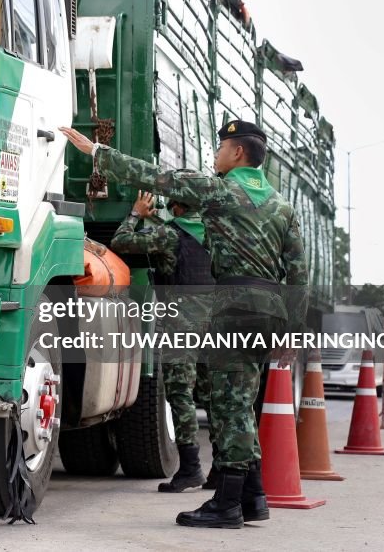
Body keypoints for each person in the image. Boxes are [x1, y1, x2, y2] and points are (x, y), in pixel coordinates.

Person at [60, 120, 308, 529]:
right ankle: (254, 496)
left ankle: (226, 504)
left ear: (238, 153)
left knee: (230, 409)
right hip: (270, 310)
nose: (216, 154)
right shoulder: (283, 207)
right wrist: (294, 329)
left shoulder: (219, 191)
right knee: (241, 403)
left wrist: (96, 152)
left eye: (221, 146)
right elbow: (298, 272)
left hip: (234, 305)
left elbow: (156, 177)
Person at [110, 190, 215, 494]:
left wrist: (136, 214)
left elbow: (122, 241)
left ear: (178, 206)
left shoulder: (169, 236)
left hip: (182, 322)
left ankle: (191, 469)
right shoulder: (216, 234)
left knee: (181, 394)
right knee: (213, 397)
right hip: (216, 323)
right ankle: (221, 469)